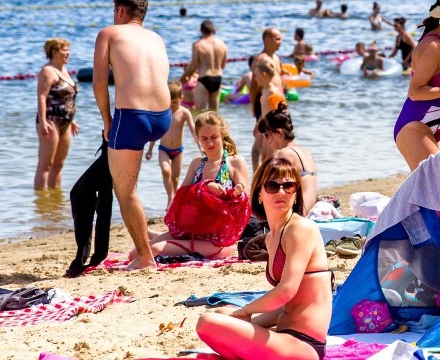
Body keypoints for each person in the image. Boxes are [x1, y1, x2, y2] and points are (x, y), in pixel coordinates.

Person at [196, 157, 332, 360]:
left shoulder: (300, 228)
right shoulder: (271, 238)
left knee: (207, 322)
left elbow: (286, 291)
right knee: (223, 315)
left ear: (296, 194)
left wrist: (246, 311)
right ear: (259, 194)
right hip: (284, 335)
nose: (281, 192)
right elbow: (288, 305)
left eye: (289, 186)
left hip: (304, 345)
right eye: (272, 186)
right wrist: (242, 319)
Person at [93, 0, 171, 270]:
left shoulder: (109, 33)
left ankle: (145, 257)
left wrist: (107, 121)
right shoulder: (156, 38)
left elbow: (100, 84)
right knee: (130, 186)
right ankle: (146, 241)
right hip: (163, 117)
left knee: (125, 190)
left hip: (132, 116)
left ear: (121, 11)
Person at [134, 112, 248, 261]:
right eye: (204, 139)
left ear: (222, 135)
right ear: (198, 139)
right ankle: (159, 236)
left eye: (214, 137)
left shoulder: (234, 162)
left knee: (153, 250)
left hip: (217, 241)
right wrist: (205, 186)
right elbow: (181, 197)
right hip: (190, 231)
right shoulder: (197, 163)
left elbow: (243, 200)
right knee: (135, 254)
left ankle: (158, 237)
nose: (210, 143)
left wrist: (236, 193)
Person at [144, 81, 198, 209]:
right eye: (170, 102)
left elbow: (193, 130)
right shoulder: (163, 113)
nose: (172, 106)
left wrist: (200, 145)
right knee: (166, 171)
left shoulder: (184, 113)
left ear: (181, 99)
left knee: (175, 178)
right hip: (164, 149)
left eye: (175, 102)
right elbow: (156, 132)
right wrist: (150, 150)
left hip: (179, 150)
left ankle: (175, 200)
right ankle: (170, 197)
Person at [35, 38, 79, 190]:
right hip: (50, 120)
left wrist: (72, 120)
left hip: (66, 121)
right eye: (64, 50)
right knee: (46, 164)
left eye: (68, 50)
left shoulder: (64, 71)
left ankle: (55, 203)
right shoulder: (48, 71)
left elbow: (67, 98)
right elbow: (42, 96)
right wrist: (42, 121)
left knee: (59, 164)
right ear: (54, 52)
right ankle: (41, 203)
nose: (68, 53)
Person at [259, 104, 320, 214]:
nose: (266, 140)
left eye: (267, 134)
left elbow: (276, 190)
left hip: (300, 214)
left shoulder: (285, 153)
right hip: (311, 212)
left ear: (279, 132)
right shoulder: (306, 152)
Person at [250, 28, 284, 170]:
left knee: (274, 139)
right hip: (262, 101)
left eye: (280, 38)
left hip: (274, 101)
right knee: (260, 138)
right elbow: (253, 85)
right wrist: (253, 107)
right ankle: (256, 171)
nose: (280, 42)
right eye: (277, 38)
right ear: (267, 40)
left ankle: (269, 168)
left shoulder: (276, 58)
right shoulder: (261, 59)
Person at [181, 19, 228, 111]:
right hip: (218, 79)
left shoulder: (198, 45)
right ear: (213, 30)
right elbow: (223, 65)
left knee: (200, 114)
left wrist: (183, 78)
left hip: (204, 79)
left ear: (201, 30)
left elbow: (193, 66)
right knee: (214, 114)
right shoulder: (222, 44)